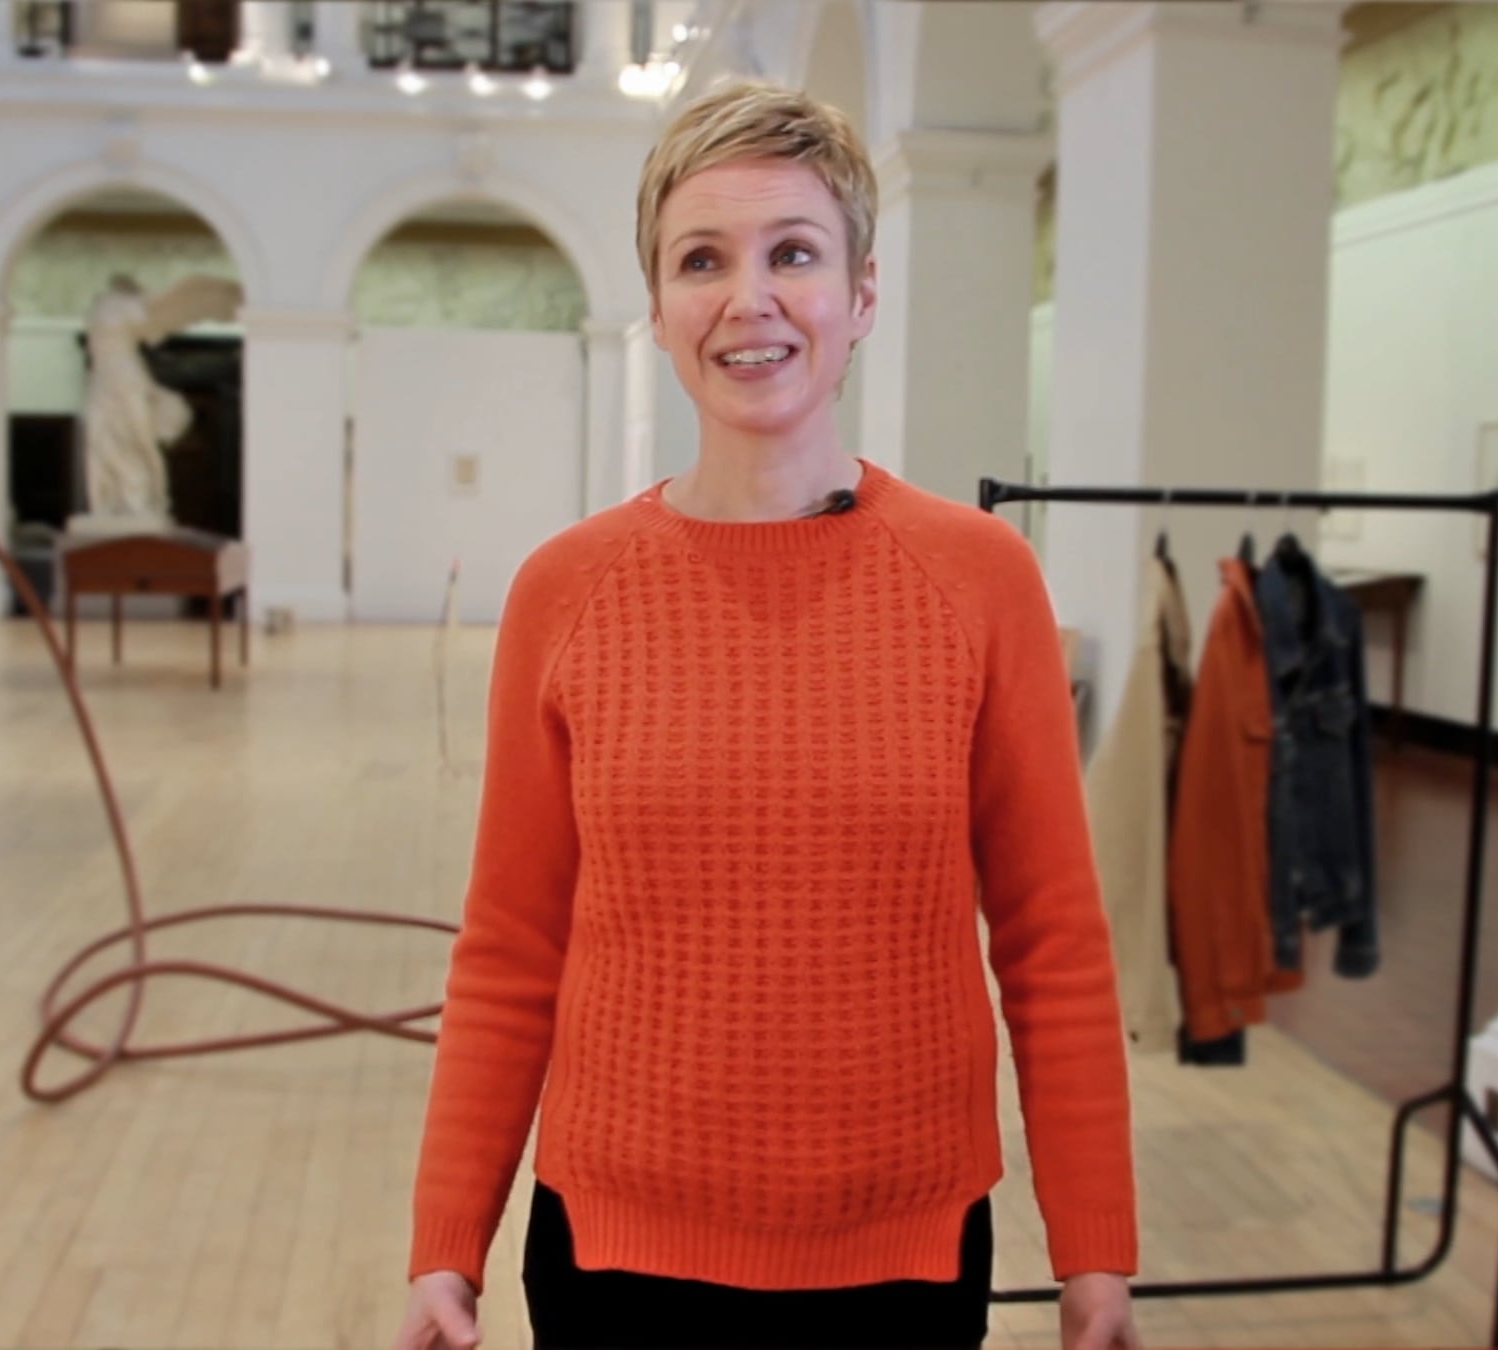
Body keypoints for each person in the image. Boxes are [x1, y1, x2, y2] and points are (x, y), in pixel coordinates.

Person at [398, 81, 1140, 1350]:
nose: (749, 298)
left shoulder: (979, 578)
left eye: (794, 252)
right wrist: (445, 1238)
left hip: (900, 1259)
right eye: (703, 259)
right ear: (659, 308)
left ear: (861, 295)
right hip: (616, 1256)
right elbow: (513, 945)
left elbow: (1052, 942)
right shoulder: (566, 590)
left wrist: (1095, 1251)